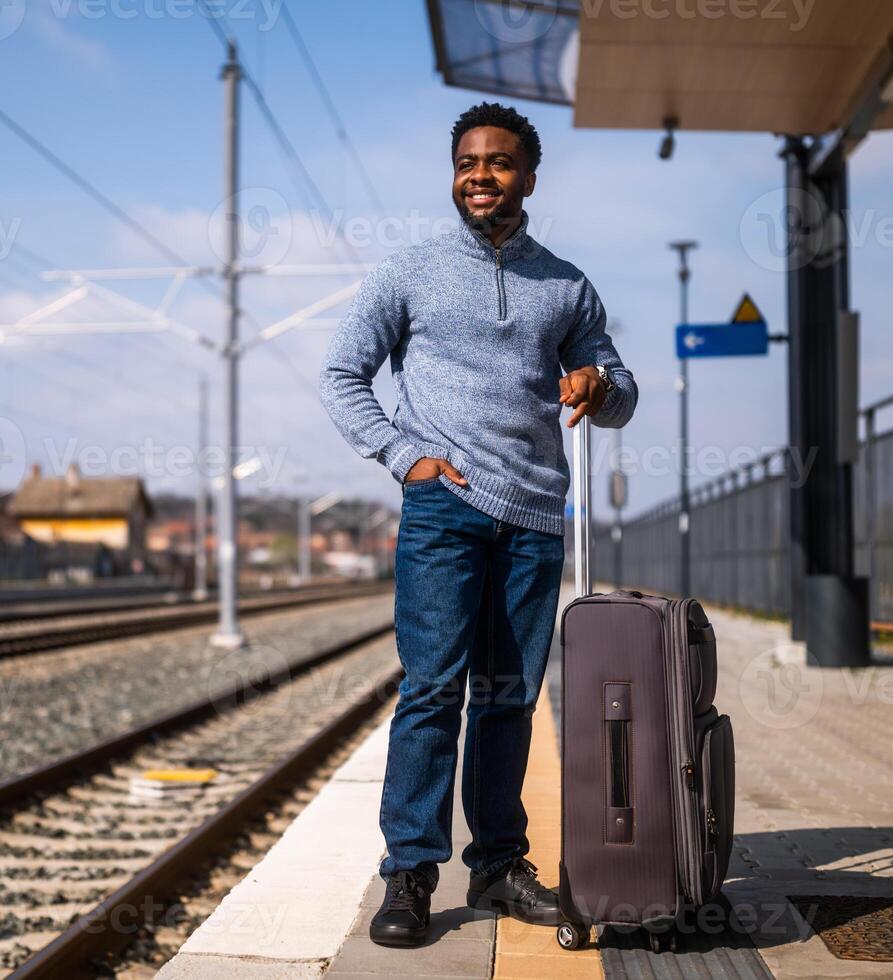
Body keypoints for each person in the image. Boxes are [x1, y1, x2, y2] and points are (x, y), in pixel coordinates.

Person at [319, 102, 638, 948]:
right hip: (443, 509)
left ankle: (497, 866)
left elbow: (618, 390)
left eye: (498, 162)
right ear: (453, 174)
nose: (480, 175)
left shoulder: (567, 284)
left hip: (534, 514)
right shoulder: (409, 272)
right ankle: (411, 874)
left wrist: (598, 388)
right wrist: (401, 455)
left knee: (508, 699)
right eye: (467, 162)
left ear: (530, 177)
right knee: (431, 691)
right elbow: (342, 375)